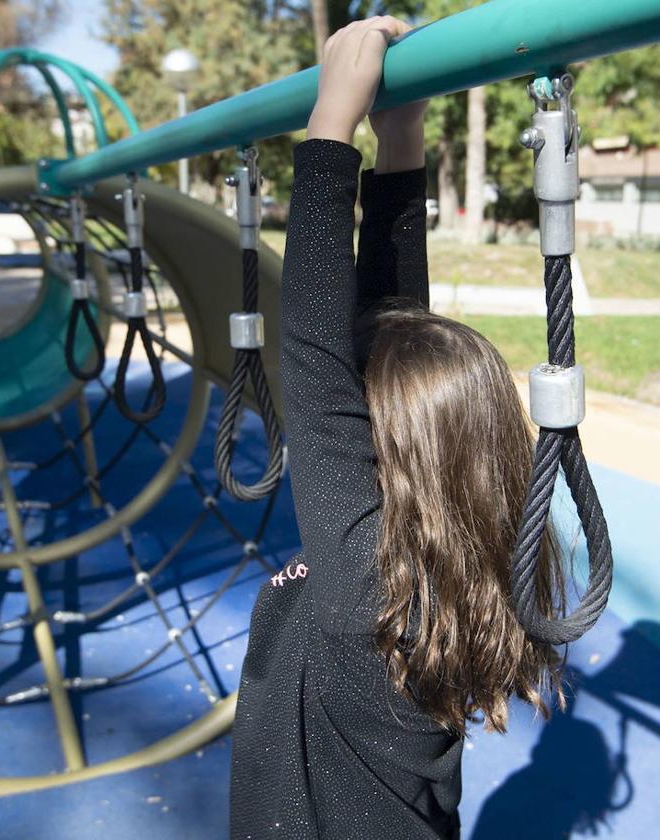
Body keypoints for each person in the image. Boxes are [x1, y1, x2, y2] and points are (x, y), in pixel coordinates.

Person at [228, 17, 566, 840]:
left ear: (377, 434)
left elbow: (311, 349)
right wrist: (400, 140)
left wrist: (329, 133)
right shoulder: (451, 555)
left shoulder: (366, 589)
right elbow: (389, 322)